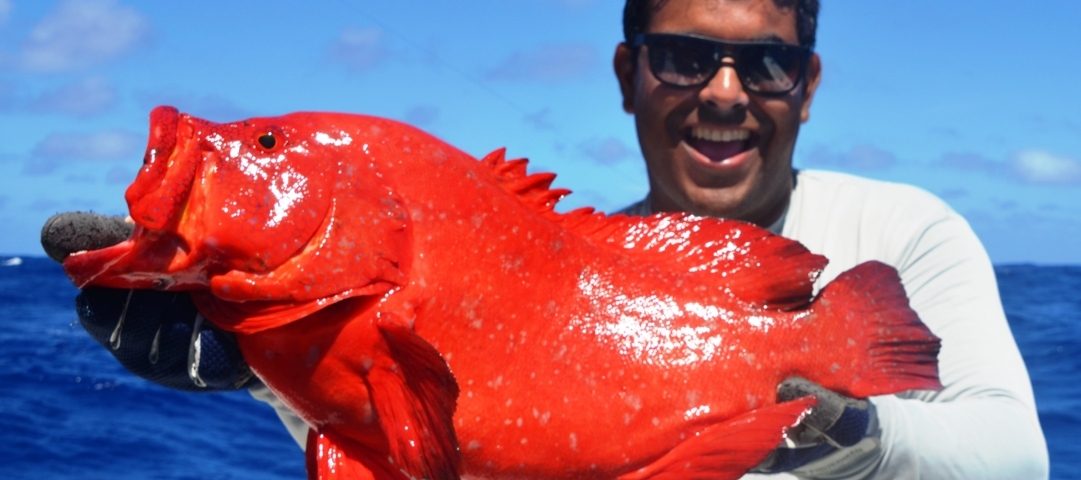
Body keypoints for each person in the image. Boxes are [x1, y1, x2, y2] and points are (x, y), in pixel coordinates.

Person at [43, 0, 1049, 477]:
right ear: (624, 75)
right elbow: (435, 448)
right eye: (682, 57)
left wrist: (850, 430)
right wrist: (269, 372)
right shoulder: (569, 250)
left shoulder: (903, 232)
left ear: (808, 84)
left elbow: (1016, 461)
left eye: (765, 65)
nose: (724, 93)